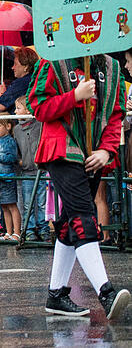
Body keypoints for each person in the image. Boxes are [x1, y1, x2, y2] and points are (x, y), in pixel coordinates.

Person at [29, 53, 130, 319]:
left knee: (68, 221)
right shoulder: (52, 60)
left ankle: (56, 294)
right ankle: (105, 293)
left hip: (93, 153)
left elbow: (116, 114)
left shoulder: (112, 67)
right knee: (84, 215)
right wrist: (74, 96)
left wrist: (107, 151)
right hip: (61, 149)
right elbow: (39, 107)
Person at [12, 96, 47, 242]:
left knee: (42, 202)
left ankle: (44, 229)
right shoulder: (16, 130)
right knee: (27, 203)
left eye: (18, 108)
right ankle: (29, 229)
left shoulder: (40, 125)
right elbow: (17, 150)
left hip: (42, 170)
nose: (15, 112)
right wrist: (20, 161)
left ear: (27, 110)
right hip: (26, 171)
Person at [0, 119, 21, 242]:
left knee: (12, 205)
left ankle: (17, 232)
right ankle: (8, 232)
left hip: (7, 177)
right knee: (4, 206)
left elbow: (12, 157)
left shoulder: (10, 141)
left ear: (8, 126)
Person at [0, 47, 39, 112]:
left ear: (26, 67)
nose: (13, 67)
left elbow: (0, 106)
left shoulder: (21, 83)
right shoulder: (36, 78)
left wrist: (1, 93)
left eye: (15, 64)